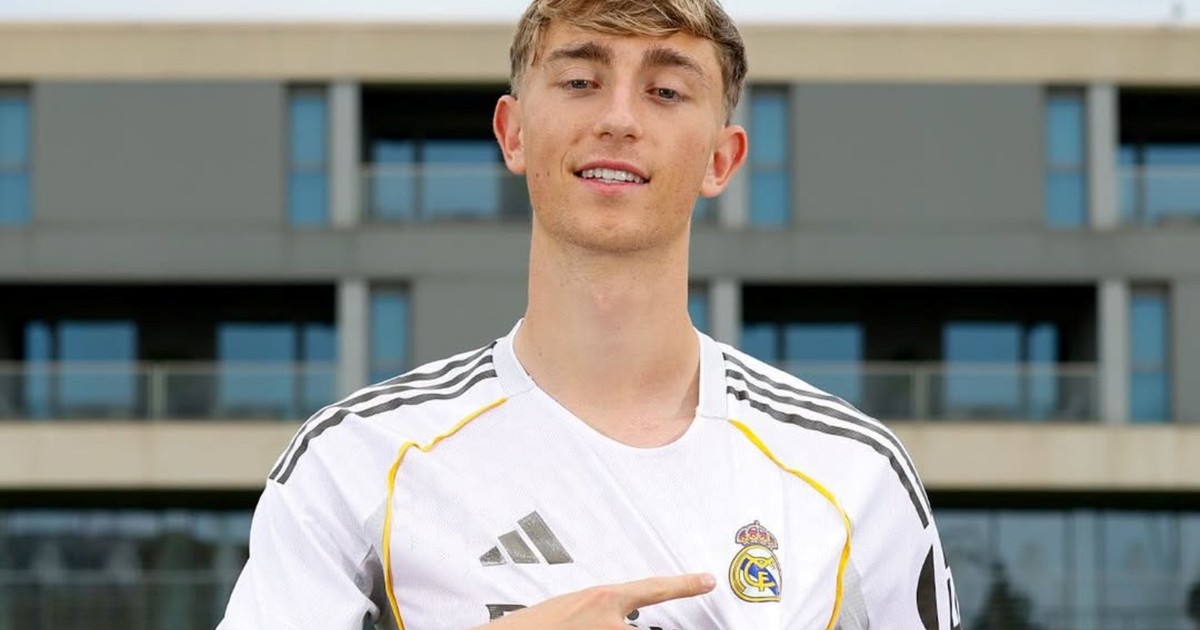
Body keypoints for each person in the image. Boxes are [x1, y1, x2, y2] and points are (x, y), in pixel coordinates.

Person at [218, 0, 961, 628]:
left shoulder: (851, 473)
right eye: (580, 81)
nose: (618, 118)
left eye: (666, 91)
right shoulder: (355, 459)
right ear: (513, 133)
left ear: (721, 161)